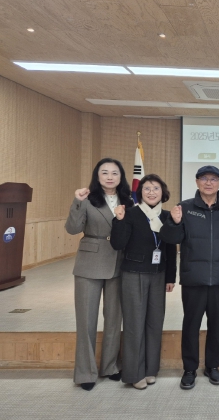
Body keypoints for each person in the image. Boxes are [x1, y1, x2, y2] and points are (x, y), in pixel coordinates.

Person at [159, 165, 219, 390]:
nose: (209, 182)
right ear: (197, 182)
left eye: (213, 179)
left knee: (216, 323)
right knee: (191, 324)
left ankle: (212, 366)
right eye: (204, 178)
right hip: (193, 277)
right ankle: (189, 369)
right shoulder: (185, 208)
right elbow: (171, 239)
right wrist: (174, 222)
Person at [65, 158, 134, 391]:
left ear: (121, 177)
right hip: (90, 263)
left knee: (114, 319)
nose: (110, 176)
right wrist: (77, 202)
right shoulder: (86, 199)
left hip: (119, 262)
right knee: (86, 320)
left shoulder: (129, 200)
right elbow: (73, 229)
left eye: (115, 173)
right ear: (97, 176)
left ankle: (110, 366)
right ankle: (85, 372)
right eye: (104, 172)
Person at [110, 174, 177, 390]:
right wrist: (118, 220)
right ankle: (134, 373)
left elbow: (170, 249)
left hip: (158, 274)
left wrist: (170, 277)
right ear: (140, 192)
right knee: (134, 324)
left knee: (155, 323)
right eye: (147, 188)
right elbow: (118, 244)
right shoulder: (130, 213)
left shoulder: (166, 216)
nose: (151, 192)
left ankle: (150, 369)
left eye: (156, 188)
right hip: (134, 273)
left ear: (162, 192)